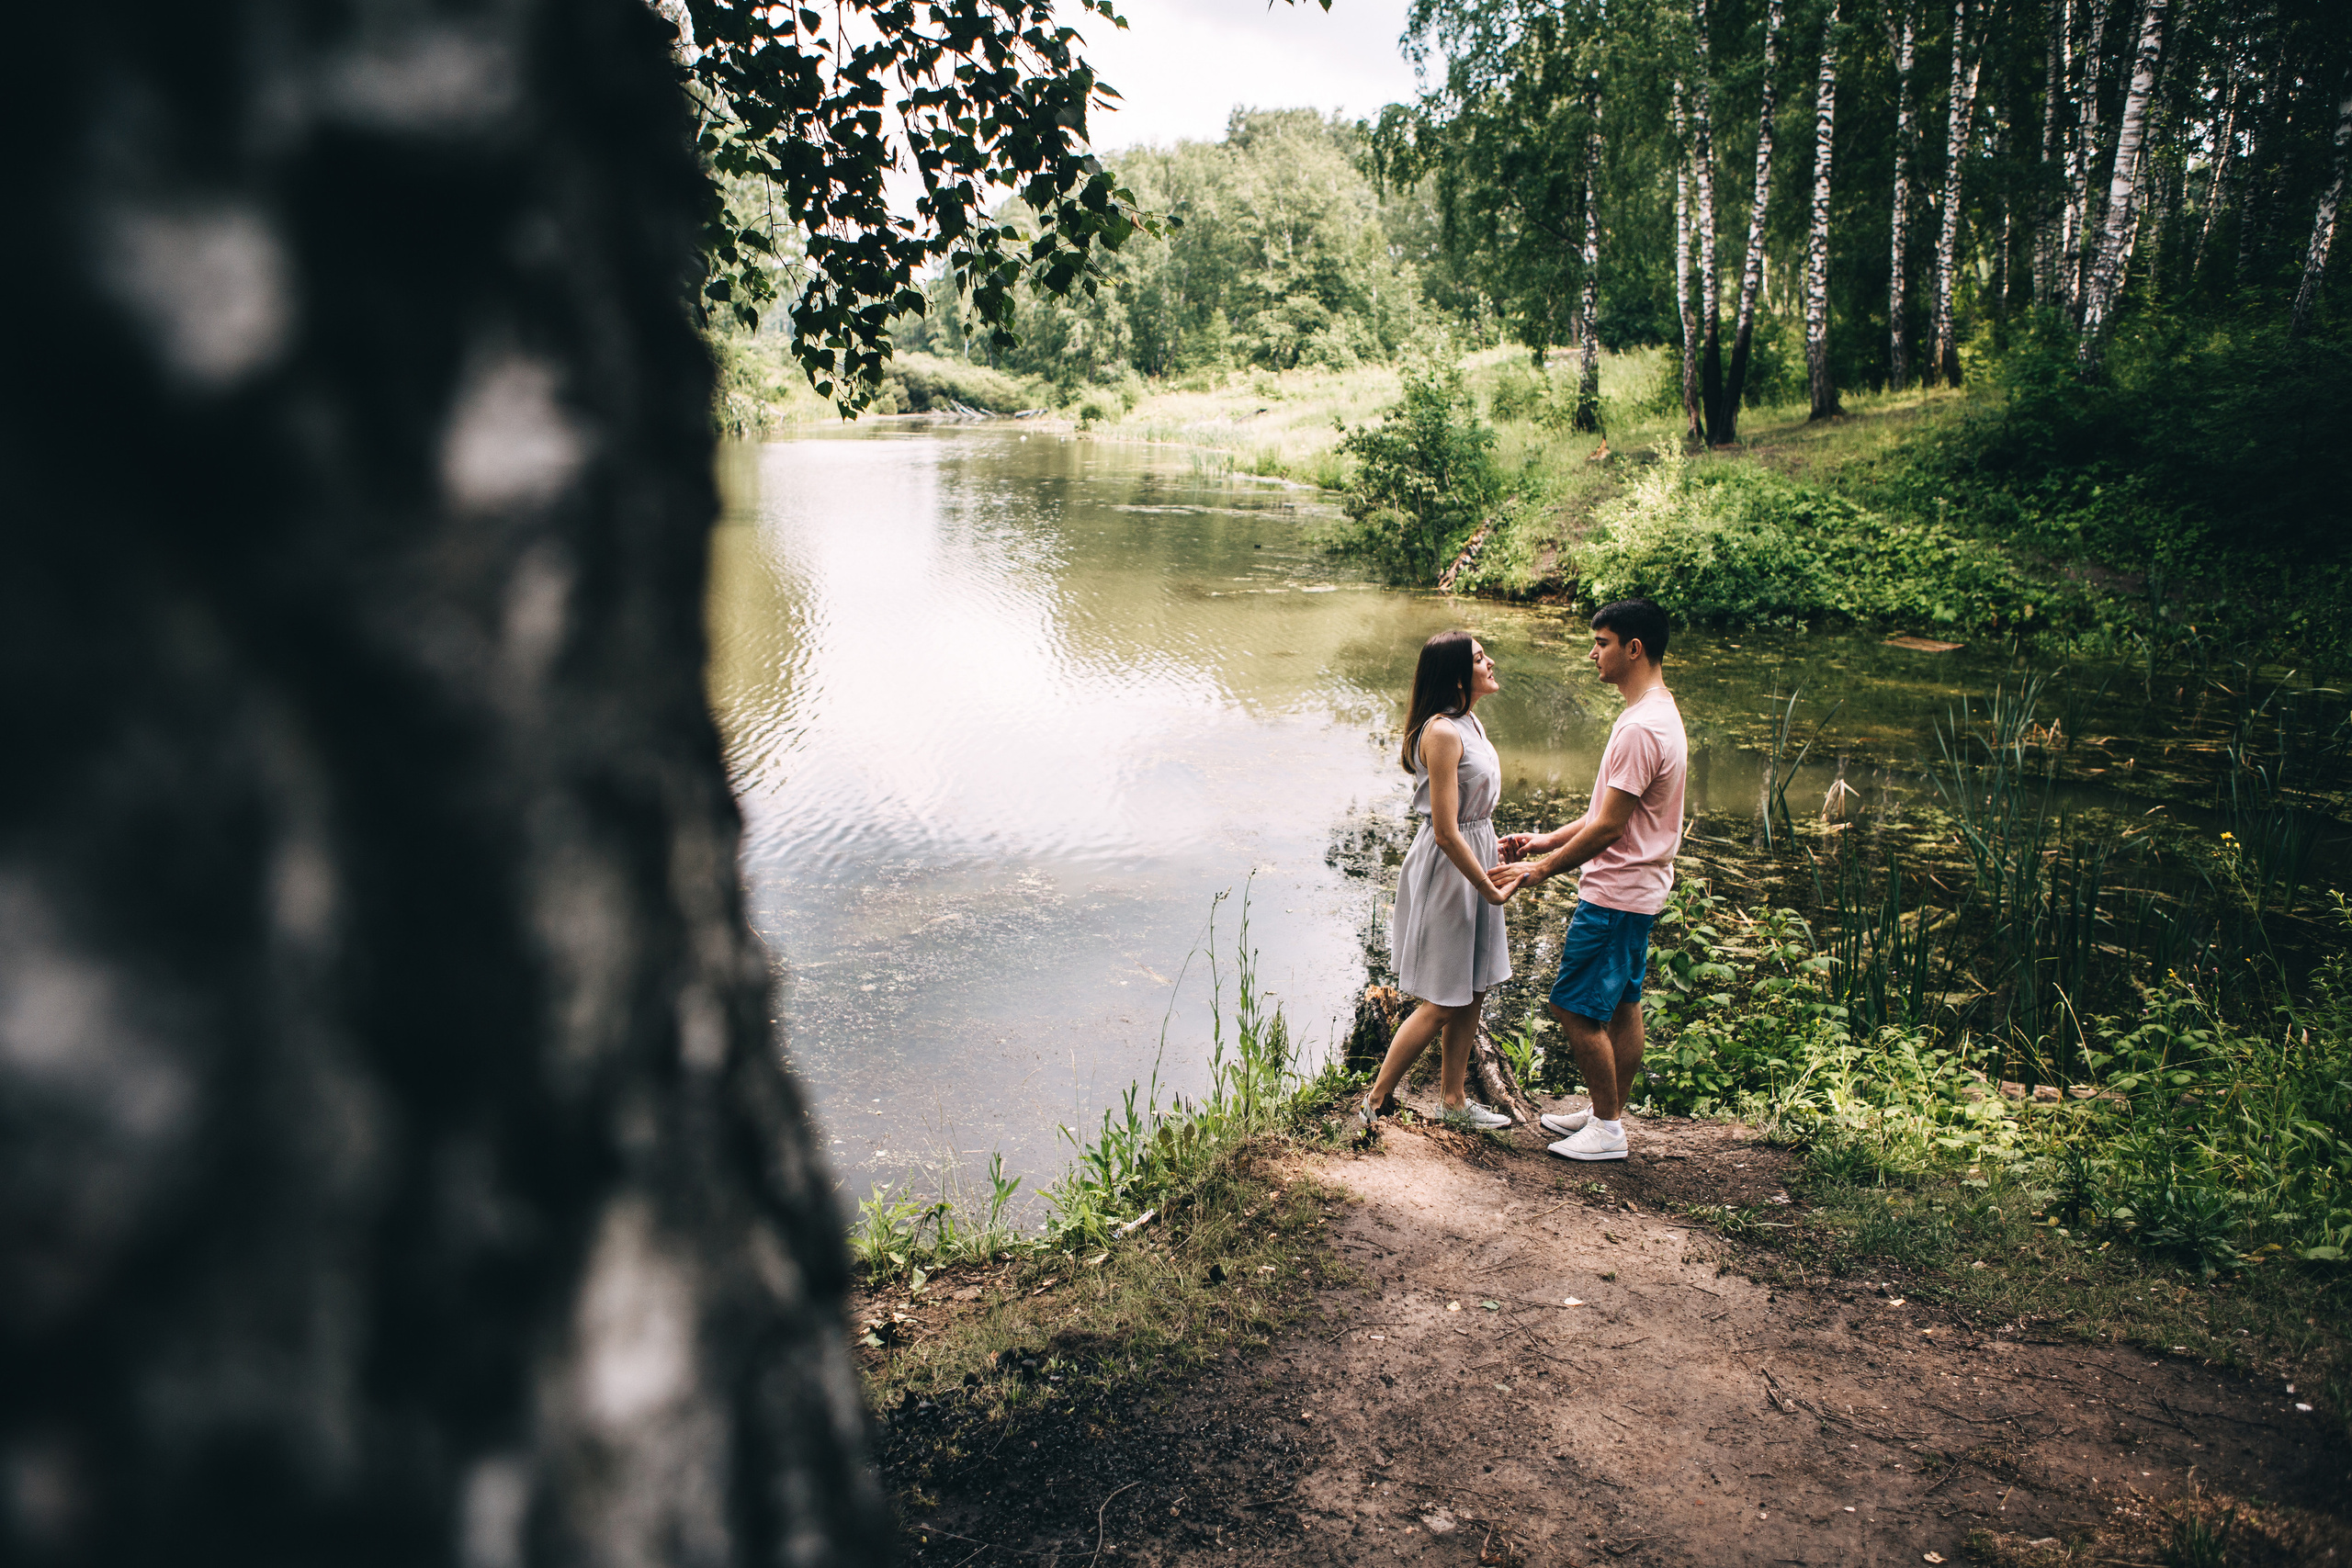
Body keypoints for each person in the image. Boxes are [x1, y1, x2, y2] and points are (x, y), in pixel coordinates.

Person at [1491, 599, 1688, 1160]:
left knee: (1574, 1007)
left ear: (1634, 648)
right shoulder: (1658, 712)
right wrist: (1547, 839)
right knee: (1623, 1005)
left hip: (1616, 892)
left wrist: (1538, 869)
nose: (1592, 652)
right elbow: (1608, 809)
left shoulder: (1640, 729)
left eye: (1602, 642)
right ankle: (1609, 1114)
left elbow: (1607, 828)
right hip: (1640, 891)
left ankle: (1606, 1130)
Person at [1359, 631, 1520, 1133]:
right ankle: (1375, 1100)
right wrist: (1488, 885)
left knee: (1472, 989)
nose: (1490, 662)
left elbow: (1470, 812)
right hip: (1451, 869)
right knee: (1446, 996)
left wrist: (1498, 843)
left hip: (1477, 851)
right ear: (1455, 674)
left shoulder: (1471, 721)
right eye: (1478, 658)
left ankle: (1453, 1102)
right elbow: (1448, 832)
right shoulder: (1443, 732)